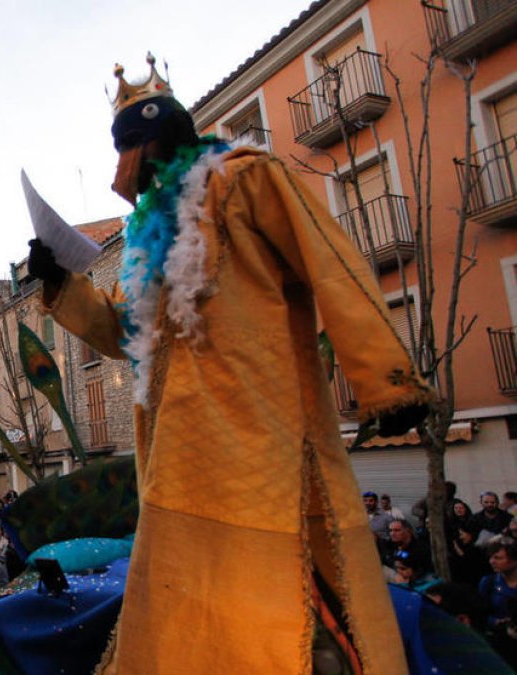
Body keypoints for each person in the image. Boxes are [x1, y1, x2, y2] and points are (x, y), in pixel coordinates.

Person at [29, 53, 431, 674]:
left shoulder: (247, 179)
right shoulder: (145, 239)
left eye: (132, 144)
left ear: (163, 135)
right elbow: (126, 333)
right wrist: (61, 283)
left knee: (288, 591)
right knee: (194, 601)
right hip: (177, 450)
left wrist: (386, 381)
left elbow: (331, 264)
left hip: (258, 433)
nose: (126, 164)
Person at [478, 538, 517, 666]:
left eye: (498, 558)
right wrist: (496, 622)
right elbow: (479, 614)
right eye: (491, 557)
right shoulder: (488, 583)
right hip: (500, 645)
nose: (492, 561)